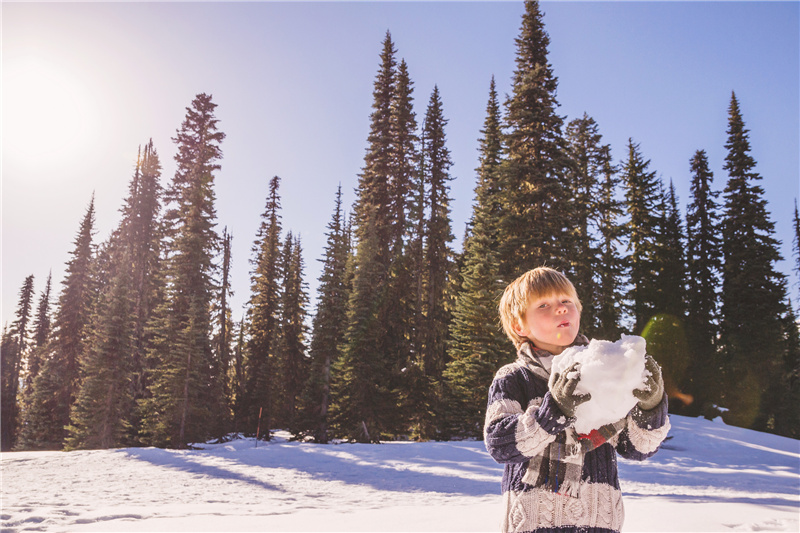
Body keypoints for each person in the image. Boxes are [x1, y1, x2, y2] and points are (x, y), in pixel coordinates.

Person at [484, 267, 669, 533]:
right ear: (519, 325)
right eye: (544, 304)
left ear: (578, 312)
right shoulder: (514, 378)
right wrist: (552, 412)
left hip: (599, 522)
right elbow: (500, 443)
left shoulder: (603, 373)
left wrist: (650, 407)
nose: (560, 309)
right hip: (533, 523)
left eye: (566, 302)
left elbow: (636, 448)